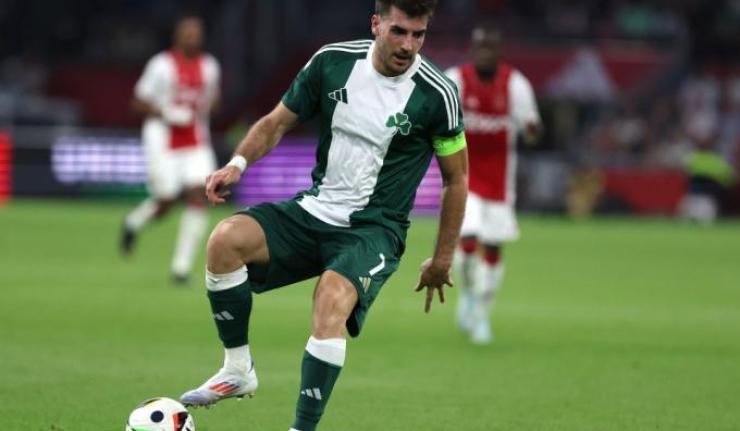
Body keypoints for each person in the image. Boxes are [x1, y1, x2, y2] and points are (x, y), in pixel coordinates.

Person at [179, 1, 467, 430]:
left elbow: (455, 179)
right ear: (376, 24)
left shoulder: (437, 94)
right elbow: (277, 122)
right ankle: (237, 369)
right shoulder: (332, 62)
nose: (408, 45)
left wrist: (442, 258)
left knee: (330, 298)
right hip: (313, 210)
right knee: (225, 241)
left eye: (418, 34)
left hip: (374, 230)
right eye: (399, 31)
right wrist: (236, 165)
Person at [445, 24, 541, 344]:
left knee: (494, 247)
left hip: (500, 184)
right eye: (480, 48)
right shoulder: (456, 80)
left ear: (499, 52)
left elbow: (533, 129)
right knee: (469, 238)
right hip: (464, 178)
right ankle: (468, 295)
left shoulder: (515, 85)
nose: (485, 54)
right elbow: (431, 115)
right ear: (472, 51)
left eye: (490, 48)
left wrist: (531, 130)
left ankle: (482, 315)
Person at [120, 15, 220, 284]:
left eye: (197, 33)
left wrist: (205, 108)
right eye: (188, 33)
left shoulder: (210, 66)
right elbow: (137, 102)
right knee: (166, 199)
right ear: (177, 36)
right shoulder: (160, 65)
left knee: (200, 193)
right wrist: (166, 112)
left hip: (196, 141)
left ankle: (181, 268)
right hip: (162, 140)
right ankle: (133, 222)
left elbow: (214, 99)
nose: (193, 38)